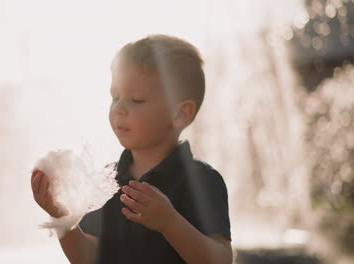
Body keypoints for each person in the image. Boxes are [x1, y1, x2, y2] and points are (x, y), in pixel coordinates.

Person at [31, 34, 232, 264]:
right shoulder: (107, 181)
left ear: (180, 114)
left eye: (136, 100)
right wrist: (63, 218)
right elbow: (89, 258)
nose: (119, 109)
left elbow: (221, 260)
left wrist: (170, 222)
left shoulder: (201, 180)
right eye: (115, 97)